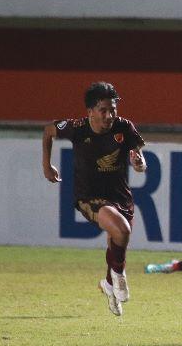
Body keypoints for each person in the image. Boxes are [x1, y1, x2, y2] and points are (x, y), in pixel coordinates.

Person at [42, 81, 147, 317]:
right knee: (122, 230)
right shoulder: (76, 128)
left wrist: (139, 163)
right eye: (104, 110)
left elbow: (139, 160)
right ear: (90, 111)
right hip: (89, 197)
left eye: (113, 109)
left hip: (120, 198)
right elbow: (48, 131)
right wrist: (46, 165)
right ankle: (119, 277)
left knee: (116, 242)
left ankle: (109, 285)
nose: (110, 115)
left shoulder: (124, 128)